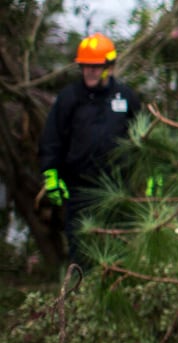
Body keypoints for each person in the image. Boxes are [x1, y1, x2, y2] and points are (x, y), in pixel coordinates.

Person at [38, 32, 143, 265]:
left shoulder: (126, 98)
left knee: (118, 254)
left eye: (95, 67)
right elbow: (52, 139)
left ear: (109, 67)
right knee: (82, 253)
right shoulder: (69, 98)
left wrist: (151, 174)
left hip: (117, 190)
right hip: (79, 190)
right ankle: (80, 296)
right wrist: (51, 174)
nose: (90, 72)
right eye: (85, 67)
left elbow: (144, 141)